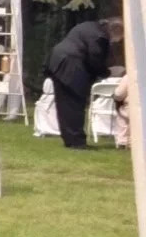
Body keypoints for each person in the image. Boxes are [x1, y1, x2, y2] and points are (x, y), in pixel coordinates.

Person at [45, 17, 123, 148]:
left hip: (57, 61)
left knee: (63, 105)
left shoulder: (88, 25)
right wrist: (107, 72)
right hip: (72, 66)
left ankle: (69, 139)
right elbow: (95, 59)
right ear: (116, 32)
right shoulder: (100, 37)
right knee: (75, 104)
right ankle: (77, 142)